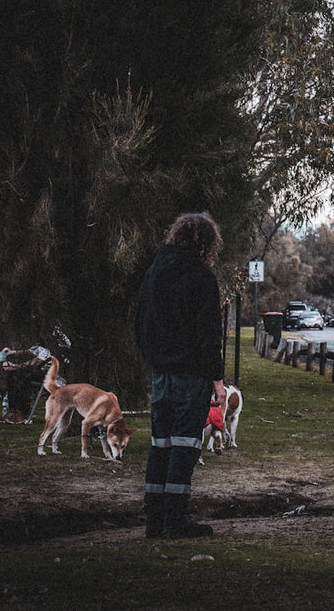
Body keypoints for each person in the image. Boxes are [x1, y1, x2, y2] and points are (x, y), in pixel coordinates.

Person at [134, 212, 226, 539]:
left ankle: (154, 520)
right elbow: (208, 333)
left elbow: (140, 320)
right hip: (192, 373)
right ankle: (175, 519)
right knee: (185, 444)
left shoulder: (154, 273)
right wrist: (218, 380)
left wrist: (154, 359)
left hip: (161, 372)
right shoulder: (202, 278)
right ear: (206, 242)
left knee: (160, 444)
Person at [0, 342, 53, 424]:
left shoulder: (56, 341)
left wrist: (15, 366)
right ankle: (13, 410)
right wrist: (13, 352)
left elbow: (38, 361)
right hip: (44, 373)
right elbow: (34, 351)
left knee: (22, 378)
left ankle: (22, 412)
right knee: (14, 376)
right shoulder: (44, 342)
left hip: (52, 376)